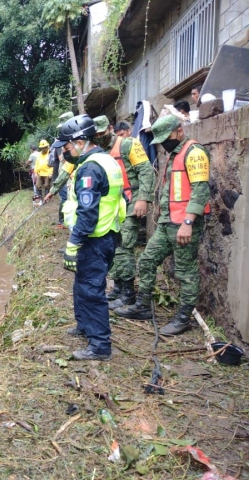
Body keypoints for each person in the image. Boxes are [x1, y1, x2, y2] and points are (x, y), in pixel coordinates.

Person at [114, 115, 211, 335]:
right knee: (147, 260)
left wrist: (188, 222)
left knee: (186, 272)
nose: (163, 144)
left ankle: (183, 318)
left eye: (166, 138)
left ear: (179, 130)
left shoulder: (194, 153)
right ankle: (142, 306)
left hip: (184, 225)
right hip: (167, 223)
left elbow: (201, 191)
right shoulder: (174, 154)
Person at [52, 115, 125, 361]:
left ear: (81, 141)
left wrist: (74, 242)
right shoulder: (105, 160)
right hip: (104, 235)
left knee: (92, 289)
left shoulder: (91, 168)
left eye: (67, 146)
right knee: (82, 283)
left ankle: (99, 346)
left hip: (95, 237)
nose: (65, 152)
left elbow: (87, 211)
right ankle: (84, 326)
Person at [93, 116, 155, 310]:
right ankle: (118, 287)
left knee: (124, 248)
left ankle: (128, 293)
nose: (100, 137)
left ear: (110, 128)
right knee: (112, 248)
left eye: (102, 133)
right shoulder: (98, 150)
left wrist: (143, 199)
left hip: (130, 201)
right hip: (112, 205)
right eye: (96, 135)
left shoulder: (128, 144)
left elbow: (146, 171)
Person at [44, 111, 75, 228]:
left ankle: (63, 221)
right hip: (64, 179)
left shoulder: (78, 148)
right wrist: (52, 192)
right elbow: (65, 169)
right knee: (66, 199)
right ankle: (62, 221)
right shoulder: (61, 146)